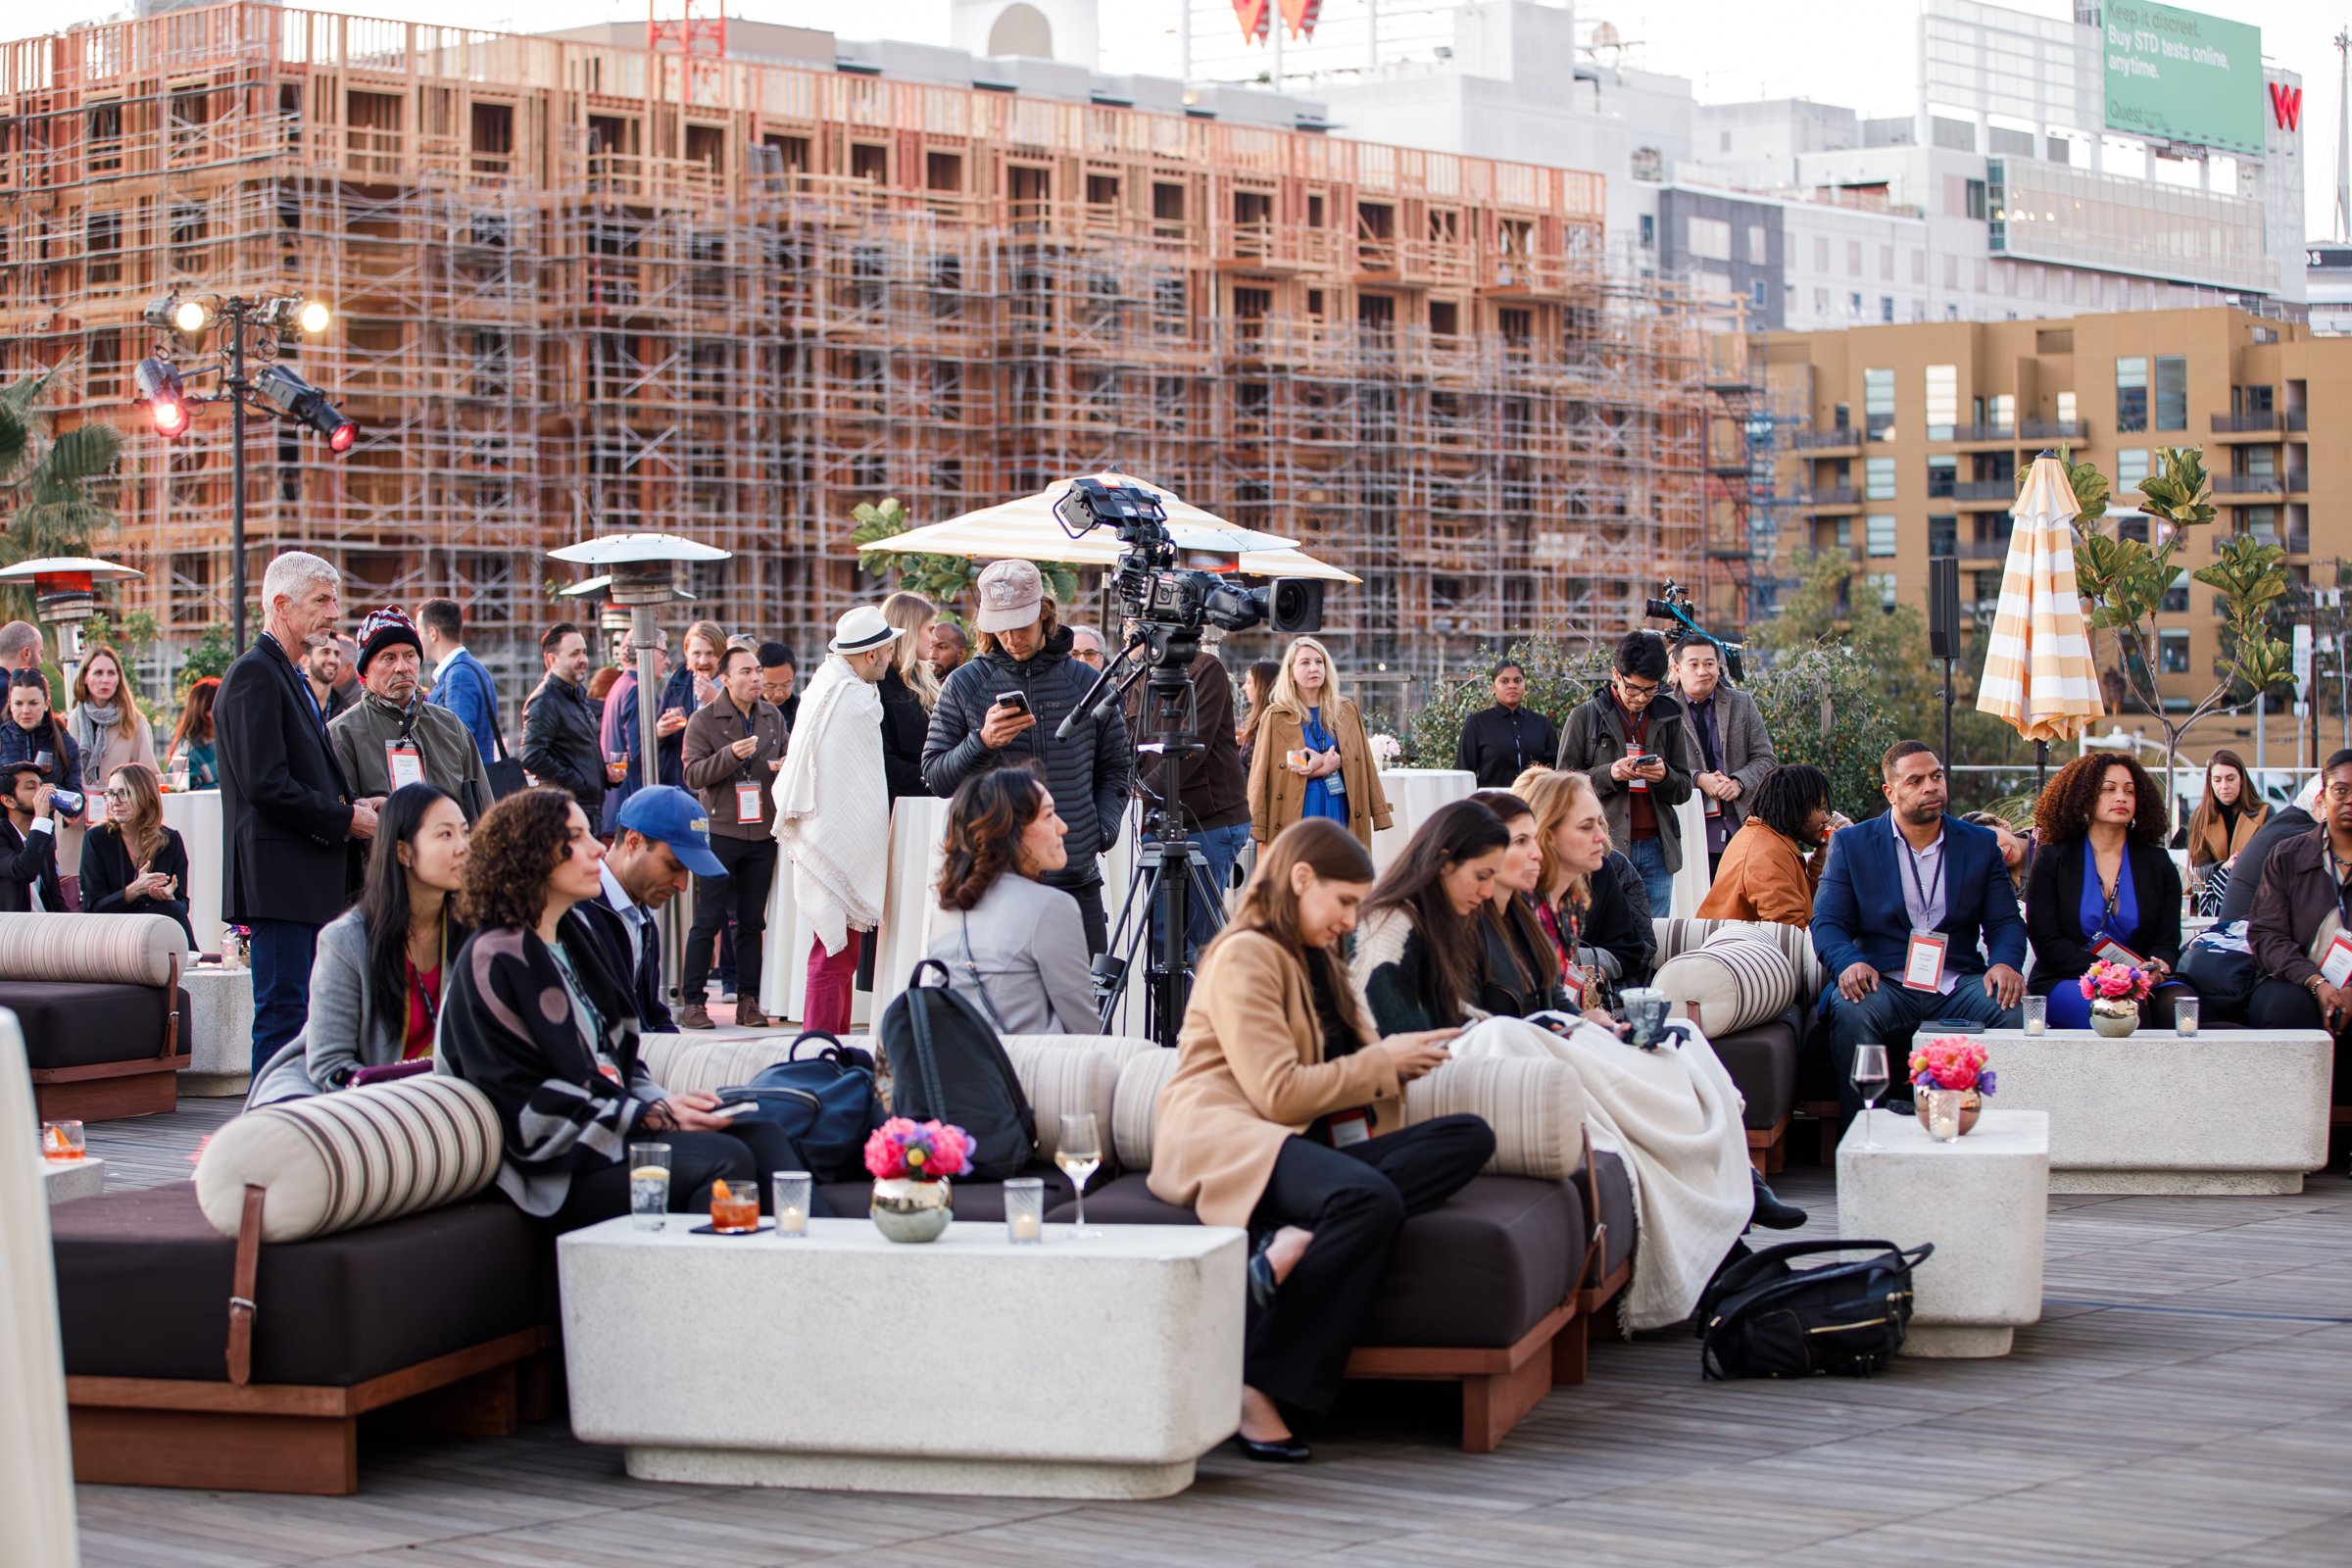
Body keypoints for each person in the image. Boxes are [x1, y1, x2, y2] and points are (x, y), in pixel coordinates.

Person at [1352, 800, 1797, 1306]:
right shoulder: (1403, 925)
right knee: (1531, 1041)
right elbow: (1407, 1034)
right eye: (1493, 862)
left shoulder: (1506, 917)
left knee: (1674, 1038)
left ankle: (1729, 1210)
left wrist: (1589, 1024)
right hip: (1448, 1085)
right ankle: (1728, 1229)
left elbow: (1563, 992)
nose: (1500, 873)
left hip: (1505, 1069)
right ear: (1445, 859)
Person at [1148, 817, 1491, 1462]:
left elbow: (1338, 1080)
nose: (1349, 920)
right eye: (1344, 902)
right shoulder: (1245, 952)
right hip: (1231, 1137)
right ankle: (1255, 1380)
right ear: (1301, 879)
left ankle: (1295, 1232)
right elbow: (1277, 1092)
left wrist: (1392, 1063)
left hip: (1299, 1142)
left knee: (1467, 1138)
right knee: (1369, 1202)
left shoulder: (1322, 959)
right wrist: (1384, 1061)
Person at [438, 787, 823, 1230]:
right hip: (555, 1170)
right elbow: (527, 1109)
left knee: (762, 1130)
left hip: (607, 1131)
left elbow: (621, 1055)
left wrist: (662, 1104)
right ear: (532, 852)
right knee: (724, 1158)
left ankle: (826, 1263)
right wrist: (652, 1115)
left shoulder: (572, 938)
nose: (598, 847)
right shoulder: (494, 958)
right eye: (577, 836)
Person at [217, 550, 377, 1075]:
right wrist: (345, 819)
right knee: (284, 1021)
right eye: (322, 600)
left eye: (335, 599)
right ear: (281, 605)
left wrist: (349, 806)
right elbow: (265, 785)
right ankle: (267, 1137)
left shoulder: (285, 675)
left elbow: (291, 779)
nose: (335, 613)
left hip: (300, 883)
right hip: (281, 885)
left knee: (305, 1020)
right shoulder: (254, 676)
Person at [922, 560, 1132, 956]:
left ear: (1044, 613)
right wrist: (981, 742)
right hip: (995, 880)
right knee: (1004, 1009)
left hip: (1075, 876)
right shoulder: (964, 684)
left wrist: (1101, 829)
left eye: (1020, 624)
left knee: (1088, 1006)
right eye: (999, 626)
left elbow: (1116, 766)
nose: (1011, 637)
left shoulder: (1086, 681)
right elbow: (936, 777)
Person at [1811, 741, 2026, 1119]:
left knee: (2010, 1007)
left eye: (1937, 776)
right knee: (1852, 1009)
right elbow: (1828, 922)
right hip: (1884, 980)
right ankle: (1864, 1134)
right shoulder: (1853, 844)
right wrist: (1848, 963)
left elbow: (2005, 920)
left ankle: (1997, 1131)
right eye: (1916, 780)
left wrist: (2006, 963)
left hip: (1957, 981)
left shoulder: (1979, 844)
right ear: (1890, 792)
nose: (1931, 786)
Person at [246, 783, 471, 1104]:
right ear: (403, 851)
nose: (463, 846)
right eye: (445, 834)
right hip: (348, 1099)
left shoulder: (476, 932)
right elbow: (329, 1066)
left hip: (438, 1100)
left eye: (464, 832)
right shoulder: (347, 940)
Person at [776, 607, 901, 1033]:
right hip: (831, 836)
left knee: (835, 952)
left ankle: (835, 1044)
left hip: (820, 832)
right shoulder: (852, 697)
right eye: (887, 649)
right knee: (833, 953)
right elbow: (858, 784)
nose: (891, 655)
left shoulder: (827, 685)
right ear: (870, 656)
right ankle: (820, 1047)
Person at [927, 765, 1100, 1035]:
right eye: (1049, 815)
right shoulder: (1051, 907)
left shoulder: (946, 907)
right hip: (1027, 1070)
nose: (1063, 827)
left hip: (957, 1067)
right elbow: (1084, 1028)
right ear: (1009, 830)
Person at [2026, 752, 2189, 1030]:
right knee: (2124, 1009)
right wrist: (2112, 976)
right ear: (2085, 796)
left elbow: (2167, 939)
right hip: (2070, 977)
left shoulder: (2158, 863)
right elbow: (2047, 942)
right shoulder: (2053, 859)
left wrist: (2159, 965)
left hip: (2142, 979)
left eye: (2129, 791)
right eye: (2109, 789)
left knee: (2180, 1003)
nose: (2121, 797)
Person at [678, 645, 789, 1030]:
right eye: (745, 672)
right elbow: (692, 775)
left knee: (752, 922)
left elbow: (788, 760)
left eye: (757, 671)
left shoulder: (772, 717)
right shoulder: (703, 720)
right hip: (720, 831)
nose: (756, 678)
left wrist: (784, 767)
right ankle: (693, 1002)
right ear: (725, 679)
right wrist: (729, 755)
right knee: (707, 919)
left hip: (762, 833)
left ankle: (748, 1000)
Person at [1126, 629, 1253, 964]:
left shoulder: (1203, 669)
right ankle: (1170, 1018)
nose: (1132, 631)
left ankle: (1200, 1016)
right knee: (1163, 943)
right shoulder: (1138, 678)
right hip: (1159, 819)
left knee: (1195, 944)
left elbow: (1189, 747)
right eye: (1129, 623)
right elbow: (1130, 746)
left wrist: (1143, 791)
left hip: (1207, 821)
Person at [1557, 630, 1693, 915]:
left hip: (1658, 847)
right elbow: (1562, 784)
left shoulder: (1669, 717)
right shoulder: (1584, 717)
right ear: (1616, 675)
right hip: (1606, 845)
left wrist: (1665, 775)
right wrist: (1611, 773)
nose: (1641, 698)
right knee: (1608, 929)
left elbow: (1683, 787)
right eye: (1633, 688)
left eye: (1650, 690)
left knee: (1654, 934)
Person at [1350, 799, 1511, 1034]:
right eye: (1481, 876)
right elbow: (1392, 1029)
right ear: (1444, 862)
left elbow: (1441, 1007)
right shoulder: (1391, 924)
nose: (1488, 892)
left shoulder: (1434, 916)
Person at [2247, 749, 2352, 1102]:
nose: (2350, 800)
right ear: (2322, 797)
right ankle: (2292, 1126)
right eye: (2342, 790)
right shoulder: (2288, 855)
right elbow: (2266, 934)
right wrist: (2317, 982)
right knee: (2286, 1009)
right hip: (2294, 979)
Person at [577, 784, 722, 1037]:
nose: (682, 884)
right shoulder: (578, 912)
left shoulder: (641, 919)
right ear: (634, 842)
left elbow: (652, 1013)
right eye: (674, 865)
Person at [328, 607, 491, 820]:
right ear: (365, 669)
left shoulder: (450, 726)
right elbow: (340, 822)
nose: (402, 667)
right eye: (388, 657)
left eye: (409, 655)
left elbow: (484, 810)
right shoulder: (341, 734)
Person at [1515, 766, 1654, 1010]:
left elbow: (1637, 950)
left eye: (1600, 823)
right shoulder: (1512, 898)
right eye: (1586, 826)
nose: (1601, 836)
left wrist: (1584, 1021)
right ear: (1548, 833)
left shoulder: (1568, 899)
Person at [1246, 636, 1393, 850]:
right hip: (1295, 809)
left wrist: (1379, 812)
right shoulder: (1275, 715)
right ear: (1291, 672)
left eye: (1319, 661)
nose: (1314, 668)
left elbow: (1364, 764)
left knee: (1338, 872)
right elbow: (1260, 777)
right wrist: (1257, 827)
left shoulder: (1347, 710)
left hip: (1340, 805)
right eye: (1305, 663)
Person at [1672, 635, 1777, 878]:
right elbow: (1659, 765)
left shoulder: (1742, 703)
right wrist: (1697, 778)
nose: (1702, 671)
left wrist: (1739, 781)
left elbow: (1766, 759)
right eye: (1694, 664)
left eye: (1709, 664)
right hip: (1688, 829)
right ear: (1677, 669)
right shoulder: (1663, 709)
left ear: (1719, 666)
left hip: (1740, 826)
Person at [1464, 789, 1572, 1019]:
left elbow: (1552, 994)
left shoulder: (1521, 911)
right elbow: (1471, 1029)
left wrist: (1586, 1021)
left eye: (1534, 839)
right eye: (1521, 841)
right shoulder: (1464, 924)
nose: (1537, 854)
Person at [1695, 763, 1839, 924]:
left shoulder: (1772, 841)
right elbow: (1790, 932)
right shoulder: (1766, 855)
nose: (1825, 818)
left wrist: (1821, 860)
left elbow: (1810, 909)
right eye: (1819, 809)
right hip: (1736, 946)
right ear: (1797, 808)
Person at [78, 762, 192, 946]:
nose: (115, 801)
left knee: (172, 907)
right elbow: (91, 908)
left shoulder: (170, 840)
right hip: (111, 932)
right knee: (171, 912)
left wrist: (168, 896)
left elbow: (182, 905)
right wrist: (133, 891)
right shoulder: (97, 838)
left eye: (125, 793)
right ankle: (191, 963)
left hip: (155, 931)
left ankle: (189, 966)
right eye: (111, 793)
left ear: (146, 796)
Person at [521, 622, 605, 817]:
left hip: (585, 807)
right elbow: (531, 756)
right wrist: (577, 782)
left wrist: (604, 773)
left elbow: (577, 750)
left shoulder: (575, 695)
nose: (583, 659)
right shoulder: (544, 700)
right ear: (551, 660)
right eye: (574, 654)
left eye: (584, 652)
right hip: (567, 811)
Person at [2, 673, 84, 867]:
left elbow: (77, 797)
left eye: (33, 703)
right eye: (18, 703)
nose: (25, 710)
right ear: (10, 704)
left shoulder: (63, 742)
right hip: (6, 838)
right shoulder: (2, 739)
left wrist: (59, 799)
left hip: (47, 839)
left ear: (46, 704)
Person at [2220, 772, 2322, 925]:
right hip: (2246, 939)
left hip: (2238, 934)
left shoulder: (2288, 823)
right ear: (2320, 803)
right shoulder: (2303, 838)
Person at [68, 644, 160, 807]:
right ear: (85, 678)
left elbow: (149, 774)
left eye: (111, 673)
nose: (105, 680)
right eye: (98, 673)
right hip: (79, 812)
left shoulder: (135, 721)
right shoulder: (73, 720)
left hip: (122, 811)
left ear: (118, 679)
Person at [418, 596, 503, 769]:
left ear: (433, 633)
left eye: (419, 632)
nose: (417, 639)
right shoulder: (473, 667)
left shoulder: (459, 675)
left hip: (466, 785)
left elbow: (457, 741)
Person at [2183, 749, 2268, 915]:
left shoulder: (2264, 813)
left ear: (2241, 779)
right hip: (2210, 896)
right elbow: (2197, 873)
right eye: (2217, 780)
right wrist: (2223, 867)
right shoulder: (2200, 817)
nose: (2224, 786)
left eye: (2230, 779)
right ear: (2210, 782)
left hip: (2252, 897)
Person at [1453, 661, 1558, 791]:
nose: (1512, 686)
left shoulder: (1541, 724)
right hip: (1491, 804)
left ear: (1524, 685)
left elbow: (1555, 770)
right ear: (1493, 688)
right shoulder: (1477, 724)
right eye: (1504, 681)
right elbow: (1464, 773)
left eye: (1517, 680)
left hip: (1534, 803)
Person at [601, 627, 666, 831]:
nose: (667, 661)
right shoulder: (637, 689)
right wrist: (661, 731)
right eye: (663, 653)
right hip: (634, 808)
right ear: (645, 651)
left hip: (619, 805)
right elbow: (637, 752)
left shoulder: (621, 684)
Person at [878, 591, 941, 801]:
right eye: (930, 630)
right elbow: (884, 762)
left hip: (932, 801)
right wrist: (940, 783)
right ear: (910, 631)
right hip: (899, 807)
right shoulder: (878, 684)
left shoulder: (925, 678)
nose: (935, 638)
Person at [654, 618, 726, 788]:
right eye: (696, 654)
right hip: (680, 780)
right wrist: (659, 732)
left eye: (710, 653)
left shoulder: (732, 683)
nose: (702, 661)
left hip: (718, 782)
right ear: (687, 653)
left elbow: (745, 734)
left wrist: (716, 702)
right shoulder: (678, 680)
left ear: (722, 655)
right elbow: (657, 734)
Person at [0, 760, 67, 913]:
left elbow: (55, 898)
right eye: (31, 787)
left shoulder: (41, 834)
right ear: (8, 800)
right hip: (11, 931)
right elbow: (23, 870)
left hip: (43, 929)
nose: (42, 792)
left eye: (41, 786)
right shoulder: (40, 830)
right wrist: (42, 818)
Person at [1962, 809, 2034, 898]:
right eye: (1987, 851)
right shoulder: (1993, 884)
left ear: (2001, 825)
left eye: (1994, 839)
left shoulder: (2049, 846)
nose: (2000, 851)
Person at [165, 676, 220, 788]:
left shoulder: (228, 743)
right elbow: (184, 795)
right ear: (207, 712)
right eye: (225, 704)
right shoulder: (186, 753)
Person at [1236, 658, 1280, 780]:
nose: (1244, 687)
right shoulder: (1260, 718)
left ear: (1262, 686)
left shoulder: (1270, 722)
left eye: (1249, 682)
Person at [301, 633, 354, 723]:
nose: (333, 660)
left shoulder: (345, 712)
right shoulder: (290, 700)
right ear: (305, 660)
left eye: (336, 654)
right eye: (325, 652)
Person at [757, 641, 800, 731]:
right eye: (770, 686)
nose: (778, 694)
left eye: (785, 685)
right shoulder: (745, 712)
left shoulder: (801, 709)